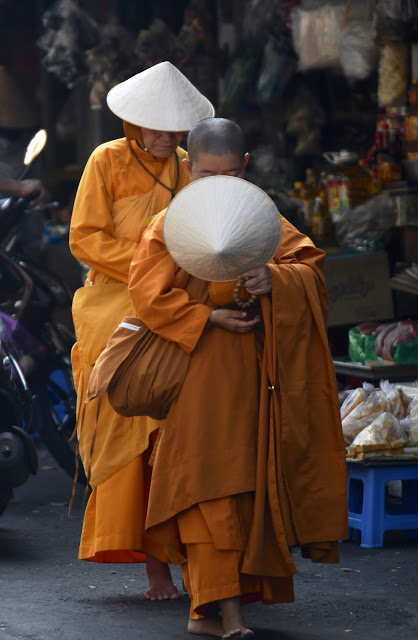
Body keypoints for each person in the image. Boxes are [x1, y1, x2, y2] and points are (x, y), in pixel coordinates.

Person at [128, 118, 348, 638]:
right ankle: (225, 615)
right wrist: (206, 317)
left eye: (229, 173)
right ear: (188, 167)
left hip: (257, 380)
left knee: (249, 488)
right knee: (210, 488)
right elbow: (148, 294)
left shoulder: (260, 214)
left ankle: (209, 610)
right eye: (207, 174)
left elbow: (310, 268)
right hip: (201, 377)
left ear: (245, 168)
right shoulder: (168, 224)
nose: (218, 184)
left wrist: (275, 279)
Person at [69, 61, 214, 600]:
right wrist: (149, 264)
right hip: (116, 303)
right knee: (135, 428)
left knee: (182, 433)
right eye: (155, 127)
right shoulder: (105, 161)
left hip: (178, 298)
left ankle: (201, 561)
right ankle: (154, 568)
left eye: (174, 129)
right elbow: (84, 238)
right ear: (132, 122)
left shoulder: (187, 166)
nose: (165, 137)